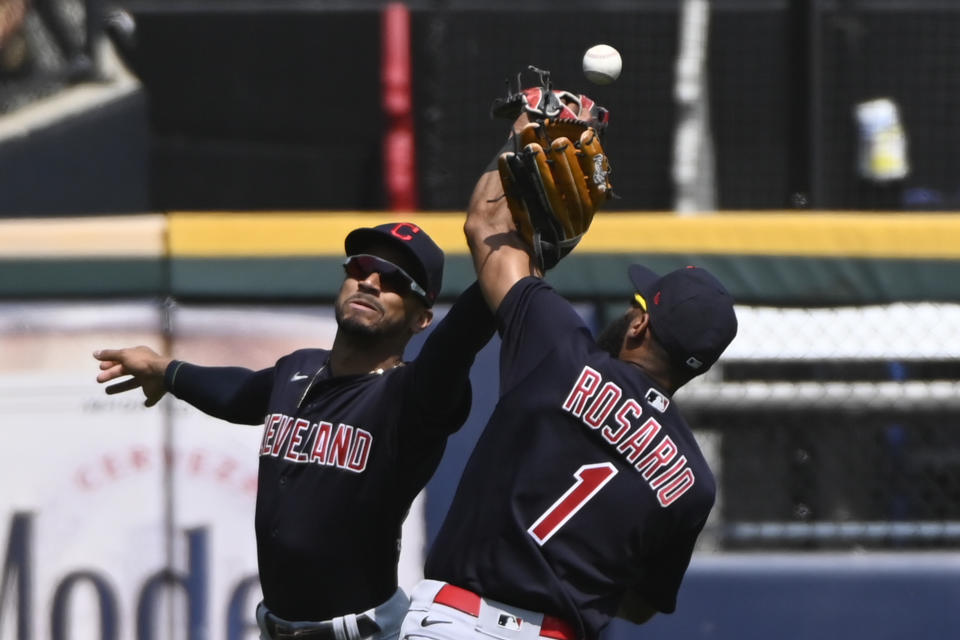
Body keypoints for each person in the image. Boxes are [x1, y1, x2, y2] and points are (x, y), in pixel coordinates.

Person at [94, 221, 496, 640]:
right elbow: (240, 392)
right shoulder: (299, 369)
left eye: (394, 278)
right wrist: (166, 370)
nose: (371, 282)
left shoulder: (411, 397)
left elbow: (459, 341)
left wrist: (511, 255)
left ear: (422, 318)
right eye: (360, 267)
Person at [398, 149, 738, 638]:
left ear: (640, 323)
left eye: (636, 305)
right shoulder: (693, 483)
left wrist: (518, 134)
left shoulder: (560, 349)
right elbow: (641, 605)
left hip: (457, 619)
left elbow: (484, 224)